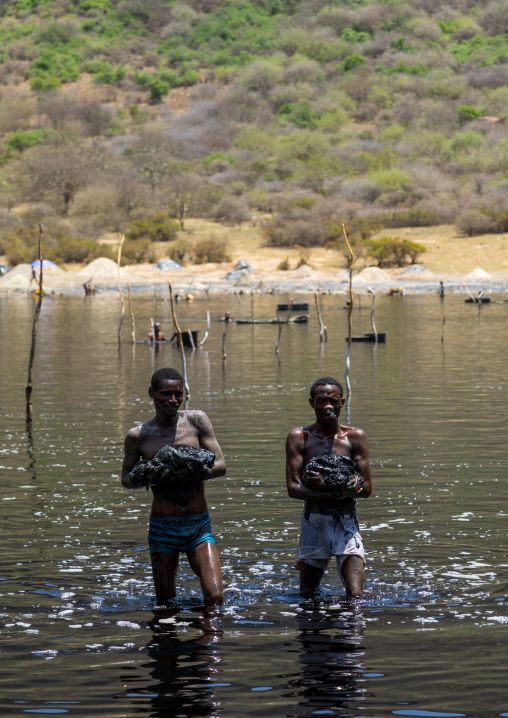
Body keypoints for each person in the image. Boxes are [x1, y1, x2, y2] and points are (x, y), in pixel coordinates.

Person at [121, 367, 226, 606]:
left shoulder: (196, 420)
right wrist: (149, 475)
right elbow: (126, 479)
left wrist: (187, 468)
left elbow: (220, 465)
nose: (173, 400)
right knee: (165, 603)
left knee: (215, 597)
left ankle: (206, 640)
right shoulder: (138, 436)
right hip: (162, 529)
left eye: (178, 394)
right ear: (151, 393)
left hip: (198, 525)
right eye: (166, 394)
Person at [285, 377, 372, 598]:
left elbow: (368, 488)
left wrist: (331, 486)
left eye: (333, 401)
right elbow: (293, 488)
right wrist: (339, 491)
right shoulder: (299, 437)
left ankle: (351, 630)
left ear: (342, 402)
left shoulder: (355, 437)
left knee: (355, 597)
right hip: (314, 523)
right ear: (311, 403)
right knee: (308, 595)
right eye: (321, 401)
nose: (328, 406)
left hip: (346, 522)